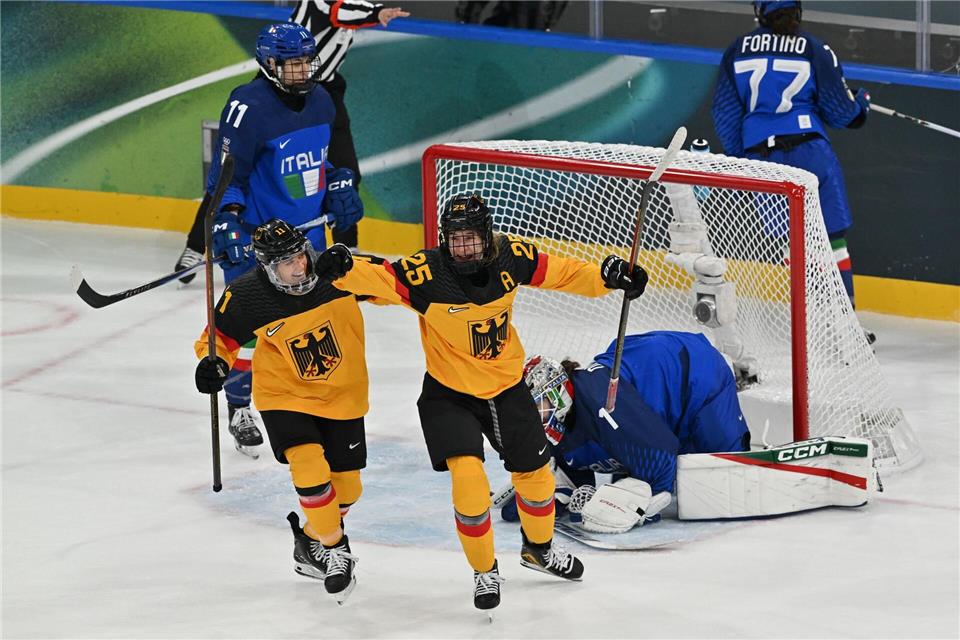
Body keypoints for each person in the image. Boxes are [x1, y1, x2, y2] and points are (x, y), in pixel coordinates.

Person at [311, 193, 649, 611]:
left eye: (471, 238)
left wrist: (608, 275)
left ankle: (539, 551)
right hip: (449, 395)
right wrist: (344, 269)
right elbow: (379, 278)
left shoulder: (512, 256)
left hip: (507, 387)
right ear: (444, 239)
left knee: (538, 478)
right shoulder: (425, 274)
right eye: (455, 239)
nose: (464, 247)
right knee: (469, 482)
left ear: (487, 236)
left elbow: (561, 272)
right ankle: (484, 571)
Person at [183, 23, 365, 454]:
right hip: (260, 239)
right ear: (269, 64)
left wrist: (340, 185)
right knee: (249, 326)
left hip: (310, 239)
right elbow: (228, 175)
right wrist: (225, 218)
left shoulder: (322, 100)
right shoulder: (248, 106)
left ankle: (307, 397)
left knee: (315, 321)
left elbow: (326, 164)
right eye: (292, 64)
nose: (302, 71)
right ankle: (239, 404)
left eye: (306, 62)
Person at [193, 219, 370, 604]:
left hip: (343, 397)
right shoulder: (248, 295)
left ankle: (309, 542)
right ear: (267, 268)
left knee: (348, 488)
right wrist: (215, 364)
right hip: (285, 395)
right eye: (287, 263)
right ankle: (336, 551)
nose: (299, 267)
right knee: (308, 464)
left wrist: (358, 266)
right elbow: (217, 340)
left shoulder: (334, 274)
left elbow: (393, 285)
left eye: (300, 257)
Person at [711, 0, 870, 318]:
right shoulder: (813, 47)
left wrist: (744, 160)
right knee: (833, 238)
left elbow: (725, 115)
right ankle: (846, 320)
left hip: (764, 157)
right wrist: (860, 106)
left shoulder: (737, 50)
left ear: (760, 12)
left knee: (794, 242)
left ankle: (811, 319)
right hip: (811, 151)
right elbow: (840, 112)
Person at [510, 331, 751, 534]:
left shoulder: (604, 402)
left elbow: (661, 453)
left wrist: (642, 492)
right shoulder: (564, 415)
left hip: (698, 372)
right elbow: (574, 455)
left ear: (558, 394)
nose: (533, 419)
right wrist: (548, 482)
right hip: (655, 384)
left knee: (724, 474)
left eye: (539, 406)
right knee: (641, 453)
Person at [290, 0, 409, 251]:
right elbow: (337, 11)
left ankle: (346, 252)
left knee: (345, 175)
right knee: (266, 172)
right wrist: (378, 12)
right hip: (289, 95)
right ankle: (196, 245)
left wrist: (375, 11)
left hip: (326, 93)